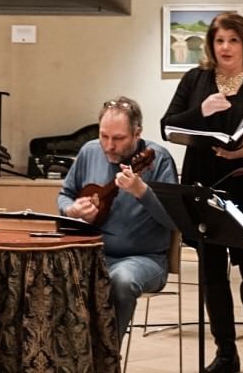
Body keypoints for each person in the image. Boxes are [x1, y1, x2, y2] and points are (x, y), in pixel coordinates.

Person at [160, 11, 243, 373]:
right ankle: (227, 352)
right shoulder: (195, 79)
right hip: (204, 184)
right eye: (219, 41)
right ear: (211, 45)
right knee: (212, 274)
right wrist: (201, 110)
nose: (226, 47)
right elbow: (167, 125)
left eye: (233, 40)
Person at [58, 96, 178, 344]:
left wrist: (142, 192)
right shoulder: (89, 151)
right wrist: (72, 210)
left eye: (119, 139)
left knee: (120, 281)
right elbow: (65, 195)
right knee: (49, 276)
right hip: (91, 252)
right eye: (104, 136)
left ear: (137, 133)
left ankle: (108, 356)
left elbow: (175, 220)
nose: (109, 146)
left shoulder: (159, 159)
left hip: (144, 259)